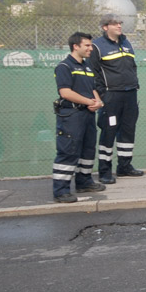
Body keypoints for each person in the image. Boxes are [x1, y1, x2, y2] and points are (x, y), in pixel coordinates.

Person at [88, 14, 143, 184]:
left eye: (120, 23)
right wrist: (102, 95)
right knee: (108, 132)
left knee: (128, 130)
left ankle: (124, 166)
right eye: (114, 24)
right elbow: (93, 73)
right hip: (111, 96)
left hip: (130, 94)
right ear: (105, 27)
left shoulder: (126, 43)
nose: (119, 26)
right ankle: (105, 170)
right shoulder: (97, 46)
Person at [52, 32, 106, 203]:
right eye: (87, 45)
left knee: (88, 150)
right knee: (68, 151)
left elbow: (92, 88)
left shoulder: (87, 66)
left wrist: (97, 101)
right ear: (76, 46)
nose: (91, 48)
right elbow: (65, 92)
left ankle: (84, 182)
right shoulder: (64, 67)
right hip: (72, 115)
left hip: (87, 114)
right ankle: (61, 191)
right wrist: (89, 102)